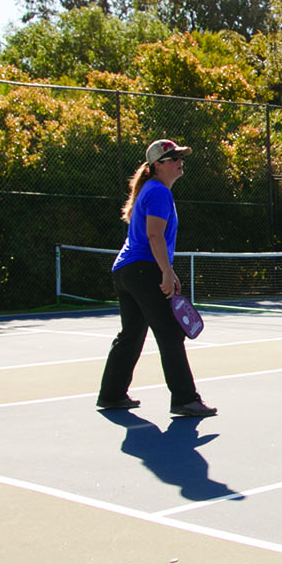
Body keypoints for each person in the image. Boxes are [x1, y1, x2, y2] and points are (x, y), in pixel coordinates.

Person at [97, 139, 216, 417]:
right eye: (173, 158)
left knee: (131, 334)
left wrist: (164, 268)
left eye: (179, 157)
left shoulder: (150, 190)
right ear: (158, 166)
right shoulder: (159, 193)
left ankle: (112, 395)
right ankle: (185, 399)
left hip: (126, 270)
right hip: (143, 269)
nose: (179, 162)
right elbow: (154, 235)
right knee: (171, 332)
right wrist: (166, 271)